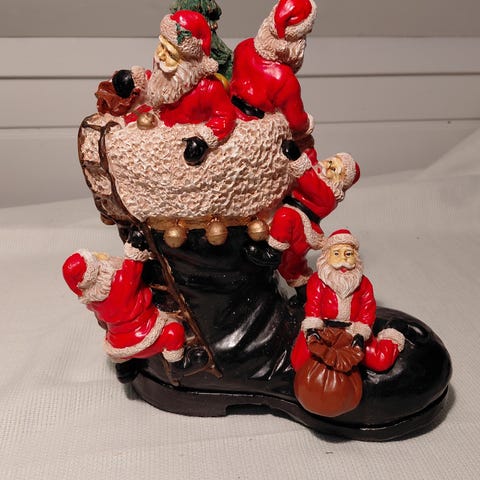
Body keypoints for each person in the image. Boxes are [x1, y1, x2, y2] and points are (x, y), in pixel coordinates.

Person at [96, 10, 236, 166]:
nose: (161, 56)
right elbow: (154, 84)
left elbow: (226, 116)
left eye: (170, 54)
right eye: (161, 46)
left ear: (188, 61)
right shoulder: (164, 70)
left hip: (175, 144)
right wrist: (135, 80)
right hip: (152, 134)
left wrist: (202, 140)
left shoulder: (208, 88)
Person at [62, 231, 186, 382]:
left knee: (118, 349)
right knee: (174, 331)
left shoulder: (91, 301)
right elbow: (134, 263)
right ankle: (177, 367)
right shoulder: (120, 281)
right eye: (97, 260)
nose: (103, 258)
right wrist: (136, 241)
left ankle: (124, 369)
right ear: (97, 272)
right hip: (145, 338)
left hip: (118, 345)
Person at [246, 151, 360, 305]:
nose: (327, 167)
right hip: (288, 222)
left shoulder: (328, 196)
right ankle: (305, 294)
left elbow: (310, 183)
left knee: (285, 217)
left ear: (339, 182)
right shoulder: (314, 172)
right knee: (291, 265)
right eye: (330, 162)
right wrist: (302, 149)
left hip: (299, 225)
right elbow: (309, 156)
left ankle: (271, 253)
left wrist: (297, 158)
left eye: (334, 170)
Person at [290, 229, 405, 372]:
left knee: (380, 361)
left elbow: (367, 312)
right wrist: (313, 331)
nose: (343, 260)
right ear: (327, 256)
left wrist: (360, 335)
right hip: (323, 330)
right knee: (300, 363)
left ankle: (392, 334)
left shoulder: (364, 284)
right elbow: (313, 307)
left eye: (348, 254)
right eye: (336, 254)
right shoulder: (317, 281)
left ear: (355, 257)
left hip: (351, 331)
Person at [230, 0, 316, 139]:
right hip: (259, 134)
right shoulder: (285, 78)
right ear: (297, 41)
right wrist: (308, 122)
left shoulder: (243, 47)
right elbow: (297, 123)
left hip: (232, 117)